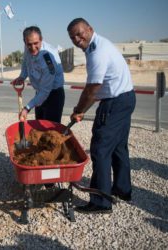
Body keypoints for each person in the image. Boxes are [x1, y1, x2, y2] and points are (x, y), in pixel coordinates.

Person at [67, 18, 136, 213]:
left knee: (100, 149)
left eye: (80, 33)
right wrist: (82, 110)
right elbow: (98, 88)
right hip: (126, 98)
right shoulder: (96, 46)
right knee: (118, 147)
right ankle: (122, 190)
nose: (77, 38)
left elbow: (92, 90)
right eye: (73, 37)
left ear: (90, 29)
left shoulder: (97, 52)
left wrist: (79, 111)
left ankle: (101, 202)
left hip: (115, 103)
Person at [12, 26, 65, 123]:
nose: (32, 48)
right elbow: (26, 61)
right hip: (39, 93)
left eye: (36, 43)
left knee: (50, 131)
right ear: (25, 42)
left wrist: (27, 108)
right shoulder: (28, 47)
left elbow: (45, 91)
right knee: (38, 125)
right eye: (29, 44)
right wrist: (22, 76)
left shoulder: (48, 58)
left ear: (41, 40)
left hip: (53, 95)